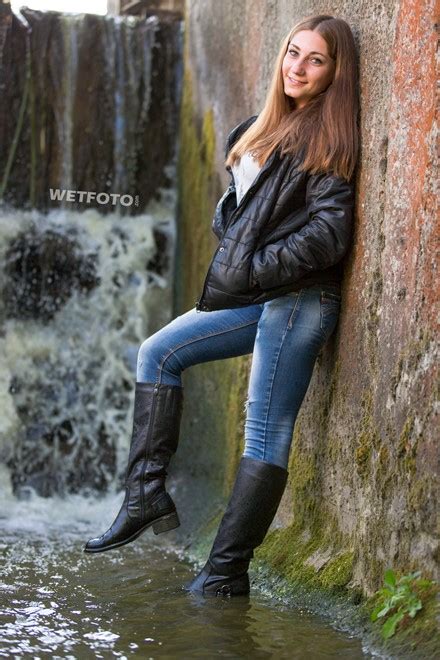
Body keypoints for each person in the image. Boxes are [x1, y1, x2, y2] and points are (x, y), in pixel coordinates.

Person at [84, 13, 359, 598]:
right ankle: (145, 494)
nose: (298, 67)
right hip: (259, 298)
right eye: (293, 53)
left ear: (335, 72)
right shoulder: (258, 131)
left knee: (265, 430)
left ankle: (226, 572)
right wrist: (236, 195)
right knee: (157, 352)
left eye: (316, 60)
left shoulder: (328, 136)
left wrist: (254, 268)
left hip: (300, 299)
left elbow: (329, 235)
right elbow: (236, 220)